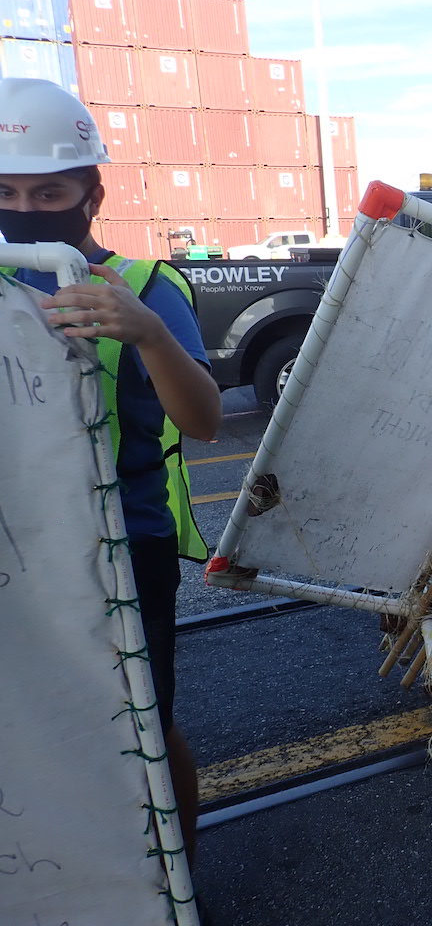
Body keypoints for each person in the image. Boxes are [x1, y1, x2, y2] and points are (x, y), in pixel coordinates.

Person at [0, 78, 221, 863]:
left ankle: (176, 883)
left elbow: (203, 420)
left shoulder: (151, 287)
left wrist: (150, 335)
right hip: (19, 546)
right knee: (32, 727)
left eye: (49, 189)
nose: (26, 207)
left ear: (92, 193)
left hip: (127, 546)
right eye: (6, 191)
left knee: (146, 725)